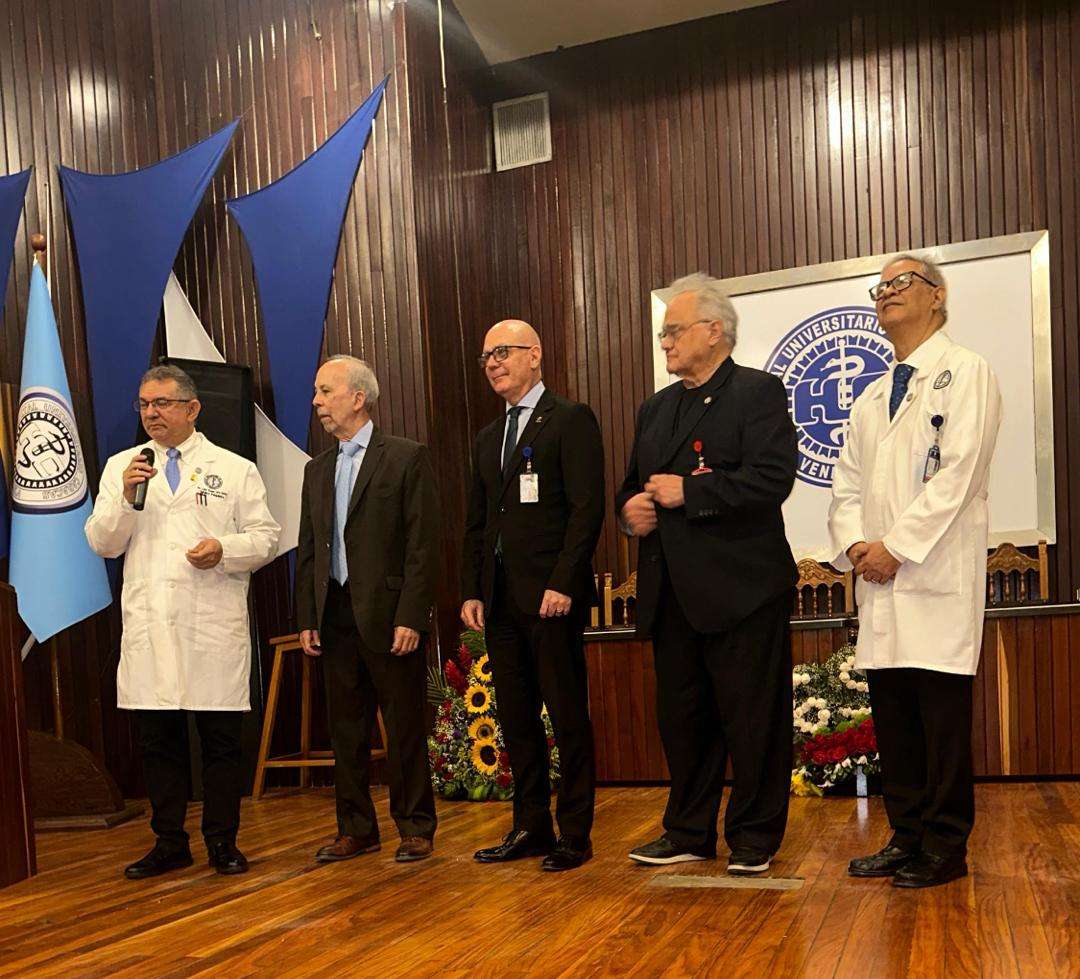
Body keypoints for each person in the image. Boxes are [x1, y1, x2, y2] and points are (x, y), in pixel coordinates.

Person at [829, 254, 1002, 888]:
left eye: (901, 282)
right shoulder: (873, 396)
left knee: (941, 725)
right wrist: (857, 546)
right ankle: (905, 837)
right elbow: (846, 485)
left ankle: (946, 846)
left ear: (937, 295)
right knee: (895, 722)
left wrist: (896, 547)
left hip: (934, 577)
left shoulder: (967, 372)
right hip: (879, 583)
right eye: (879, 287)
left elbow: (960, 475)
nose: (886, 293)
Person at [617, 272, 797, 876]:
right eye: (663, 334)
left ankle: (753, 835)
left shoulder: (757, 392)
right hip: (672, 595)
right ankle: (688, 831)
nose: (665, 343)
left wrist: (690, 494)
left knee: (752, 720)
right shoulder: (655, 407)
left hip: (742, 592)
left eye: (674, 331)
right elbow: (632, 488)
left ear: (714, 331)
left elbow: (772, 480)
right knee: (683, 723)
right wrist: (630, 512)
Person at [86, 364, 280, 879]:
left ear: (192, 409)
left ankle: (222, 841)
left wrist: (224, 548)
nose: (151, 413)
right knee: (159, 743)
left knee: (220, 742)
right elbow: (103, 542)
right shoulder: (123, 467)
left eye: (163, 403)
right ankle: (169, 842)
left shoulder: (233, 469)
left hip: (211, 624)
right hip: (151, 625)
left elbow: (265, 536)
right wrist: (126, 498)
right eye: (144, 404)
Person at [461, 319, 605, 872]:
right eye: (486, 357)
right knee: (517, 720)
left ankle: (575, 832)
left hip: (551, 598)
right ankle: (530, 826)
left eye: (502, 352)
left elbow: (586, 509)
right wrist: (472, 589)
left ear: (535, 355)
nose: (493, 363)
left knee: (567, 717)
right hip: (500, 602)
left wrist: (563, 581)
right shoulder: (487, 437)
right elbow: (477, 523)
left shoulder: (569, 419)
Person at [296, 355, 440, 864]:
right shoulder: (316, 469)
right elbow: (309, 549)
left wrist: (411, 615)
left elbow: (423, 545)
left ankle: (415, 826)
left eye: (325, 391)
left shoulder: (405, 457)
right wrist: (307, 617)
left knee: (403, 727)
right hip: (334, 615)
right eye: (316, 392)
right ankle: (356, 829)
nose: (316, 401)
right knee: (346, 730)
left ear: (358, 398)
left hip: (388, 614)